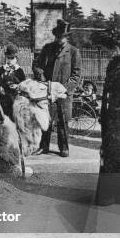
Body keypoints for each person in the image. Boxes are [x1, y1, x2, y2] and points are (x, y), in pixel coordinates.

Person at [33, 19, 82, 157]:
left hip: (64, 94)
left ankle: (64, 148)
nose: (61, 39)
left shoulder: (73, 52)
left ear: (67, 37)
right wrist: (41, 75)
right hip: (47, 92)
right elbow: (36, 65)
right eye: (59, 36)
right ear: (56, 36)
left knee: (63, 121)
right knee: (45, 119)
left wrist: (64, 88)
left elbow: (76, 74)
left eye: (63, 37)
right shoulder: (48, 49)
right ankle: (44, 146)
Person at [95, 37, 120, 205]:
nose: (110, 52)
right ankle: (108, 194)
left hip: (118, 120)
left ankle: (112, 195)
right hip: (110, 119)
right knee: (109, 155)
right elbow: (107, 94)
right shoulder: (113, 66)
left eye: (113, 48)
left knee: (116, 155)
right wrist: (103, 114)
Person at [0, 43, 26, 120]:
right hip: (3, 97)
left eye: (12, 58)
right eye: (8, 58)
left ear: (16, 59)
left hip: (15, 97)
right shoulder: (2, 69)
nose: (9, 60)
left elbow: (24, 84)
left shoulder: (19, 70)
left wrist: (17, 86)